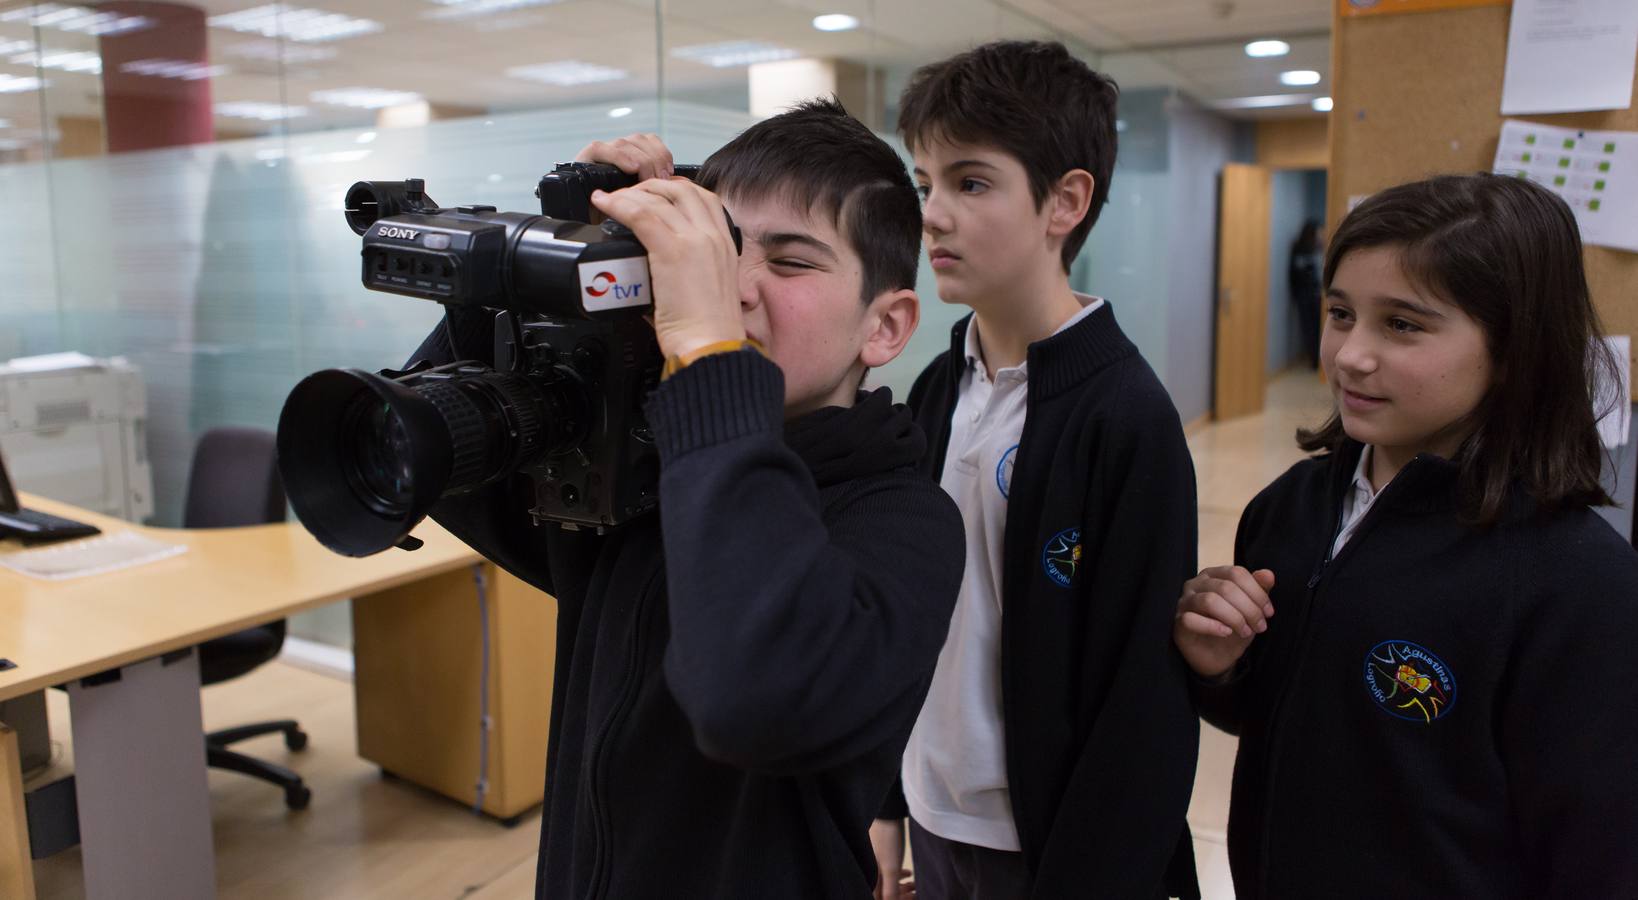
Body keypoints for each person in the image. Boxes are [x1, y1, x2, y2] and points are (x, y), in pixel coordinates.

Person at [410, 99, 965, 899]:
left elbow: (752, 697)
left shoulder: (907, 523)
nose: (733, 288)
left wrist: (709, 354)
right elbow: (453, 473)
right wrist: (534, 269)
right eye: (719, 250)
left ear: (884, 328)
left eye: (792, 261)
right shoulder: (645, 472)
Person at [1176, 173, 1638, 897]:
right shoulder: (1289, 509)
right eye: (1339, 313)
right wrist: (1218, 666)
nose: (1352, 355)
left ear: (1513, 347)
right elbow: (1279, 715)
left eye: (1402, 324)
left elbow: (1598, 857)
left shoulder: (1577, 580)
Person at [872, 40, 1201, 900]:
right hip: (930, 812)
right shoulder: (939, 389)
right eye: (924, 184)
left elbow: (1141, 705)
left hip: (1048, 844)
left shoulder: (1126, 418)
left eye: (970, 183)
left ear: (1066, 200)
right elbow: (901, 614)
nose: (933, 215)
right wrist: (882, 803)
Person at [1288, 219, 1323, 368]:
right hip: (1304, 294)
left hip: (1317, 294)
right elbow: (1293, 273)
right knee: (1308, 328)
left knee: (1317, 327)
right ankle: (1314, 360)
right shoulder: (1299, 248)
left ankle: (1318, 360)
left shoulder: (1319, 247)